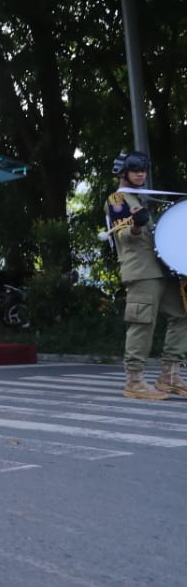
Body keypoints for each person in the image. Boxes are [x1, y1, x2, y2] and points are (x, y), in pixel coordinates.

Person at [105, 151, 186, 400]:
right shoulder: (117, 199)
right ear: (123, 172)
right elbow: (122, 235)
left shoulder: (140, 198)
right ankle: (135, 381)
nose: (141, 174)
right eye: (135, 170)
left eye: (143, 170)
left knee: (183, 314)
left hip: (161, 270)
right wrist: (137, 225)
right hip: (141, 272)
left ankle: (170, 375)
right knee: (142, 324)